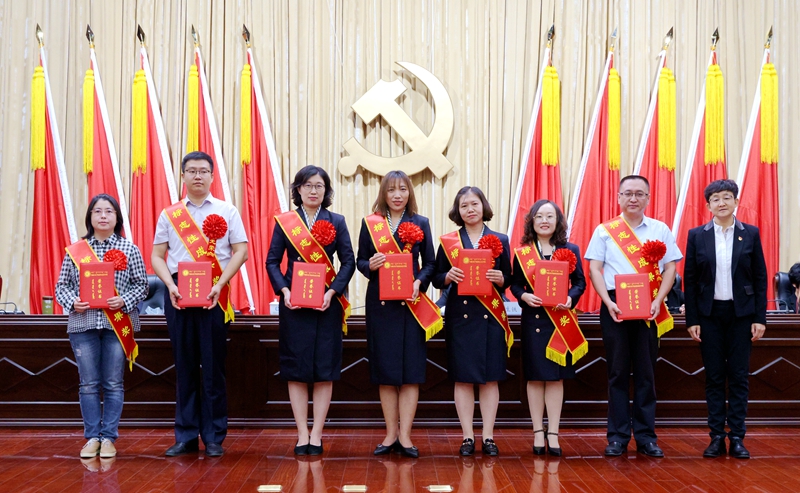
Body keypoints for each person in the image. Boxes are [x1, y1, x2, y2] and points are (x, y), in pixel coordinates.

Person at [152, 151, 249, 457]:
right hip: (179, 293)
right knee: (184, 365)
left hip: (214, 293)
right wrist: (169, 285)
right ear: (183, 176)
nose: (197, 176)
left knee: (213, 366)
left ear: (212, 176)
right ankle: (186, 435)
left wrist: (221, 284)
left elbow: (241, 251)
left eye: (203, 171)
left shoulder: (227, 210)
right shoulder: (170, 214)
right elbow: (157, 255)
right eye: (191, 170)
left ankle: (214, 436)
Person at [585, 175, 682, 458]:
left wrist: (659, 300)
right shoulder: (604, 231)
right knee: (617, 372)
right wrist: (607, 302)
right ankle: (617, 437)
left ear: (648, 198)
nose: (633, 198)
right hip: (615, 304)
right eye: (627, 193)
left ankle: (645, 436)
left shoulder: (660, 229)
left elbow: (671, 268)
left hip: (649, 306)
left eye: (640, 194)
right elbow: (594, 269)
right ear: (618, 197)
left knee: (645, 373)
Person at [266, 165, 355, 456]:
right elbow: (272, 261)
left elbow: (348, 261)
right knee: (296, 369)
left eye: (319, 186)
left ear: (326, 191)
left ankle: (317, 433)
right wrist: (284, 291)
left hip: (327, 305)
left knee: (324, 369)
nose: (313, 191)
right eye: (307, 185)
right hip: (294, 305)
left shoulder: (337, 221)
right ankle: (301, 432)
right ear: (298, 190)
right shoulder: (286, 222)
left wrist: (333, 292)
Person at [55, 194, 148, 458]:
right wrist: (73, 302)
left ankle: (108, 438)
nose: (103, 216)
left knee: (113, 383)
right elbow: (61, 286)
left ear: (117, 217)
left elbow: (142, 285)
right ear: (90, 217)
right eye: (98, 211)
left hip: (116, 325)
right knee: (88, 384)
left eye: (109, 211)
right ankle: (92, 438)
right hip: (83, 324)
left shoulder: (130, 249)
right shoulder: (76, 250)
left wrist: (124, 299)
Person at [356, 170, 439, 458]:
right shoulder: (371, 224)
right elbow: (360, 261)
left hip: (411, 305)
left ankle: (405, 436)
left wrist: (419, 282)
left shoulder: (420, 222)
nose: (397, 195)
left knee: (411, 372)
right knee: (386, 372)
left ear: (409, 192)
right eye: (391, 189)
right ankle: (390, 433)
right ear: (384, 193)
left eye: (402, 189)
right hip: (381, 306)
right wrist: (371, 265)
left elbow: (430, 263)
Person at [684, 179, 767, 459]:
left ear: (736, 202)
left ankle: (738, 438)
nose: (721, 203)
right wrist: (692, 320)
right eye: (716, 199)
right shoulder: (697, 235)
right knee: (715, 377)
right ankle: (717, 437)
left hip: (741, 315)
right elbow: (691, 281)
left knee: (740, 377)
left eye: (727, 197)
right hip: (709, 316)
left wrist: (760, 318)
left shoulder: (750, 233)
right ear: (708, 205)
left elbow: (760, 278)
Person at [433, 186, 512, 457]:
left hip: (491, 317)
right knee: (463, 378)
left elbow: (509, 278)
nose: (470, 209)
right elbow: (436, 277)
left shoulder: (500, 239)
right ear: (458, 210)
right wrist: (448, 276)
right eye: (464, 205)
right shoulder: (449, 241)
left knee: (490, 379)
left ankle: (488, 437)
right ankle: (467, 436)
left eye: (474, 204)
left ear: (483, 206)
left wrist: (501, 279)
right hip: (461, 317)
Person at [510, 200, 586, 457]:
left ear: (558, 221)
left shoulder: (570, 249)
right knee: (535, 377)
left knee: (555, 378)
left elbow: (580, 283)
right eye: (539, 216)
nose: (544, 220)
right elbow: (515, 284)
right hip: (534, 320)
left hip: (560, 321)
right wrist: (523, 296)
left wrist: (571, 299)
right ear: (532, 221)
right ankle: (537, 431)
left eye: (550, 216)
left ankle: (553, 432)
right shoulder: (522, 252)